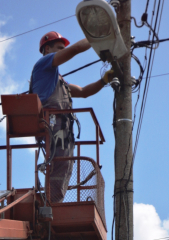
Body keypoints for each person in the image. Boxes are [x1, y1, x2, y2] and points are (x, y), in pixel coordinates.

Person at [30, 31, 113, 203]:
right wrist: (97, 37)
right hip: (53, 126)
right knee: (60, 164)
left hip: (63, 131)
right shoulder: (43, 64)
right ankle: (51, 205)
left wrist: (104, 80)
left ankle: (53, 203)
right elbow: (74, 50)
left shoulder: (59, 81)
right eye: (59, 48)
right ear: (47, 49)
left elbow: (83, 92)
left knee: (65, 165)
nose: (62, 51)